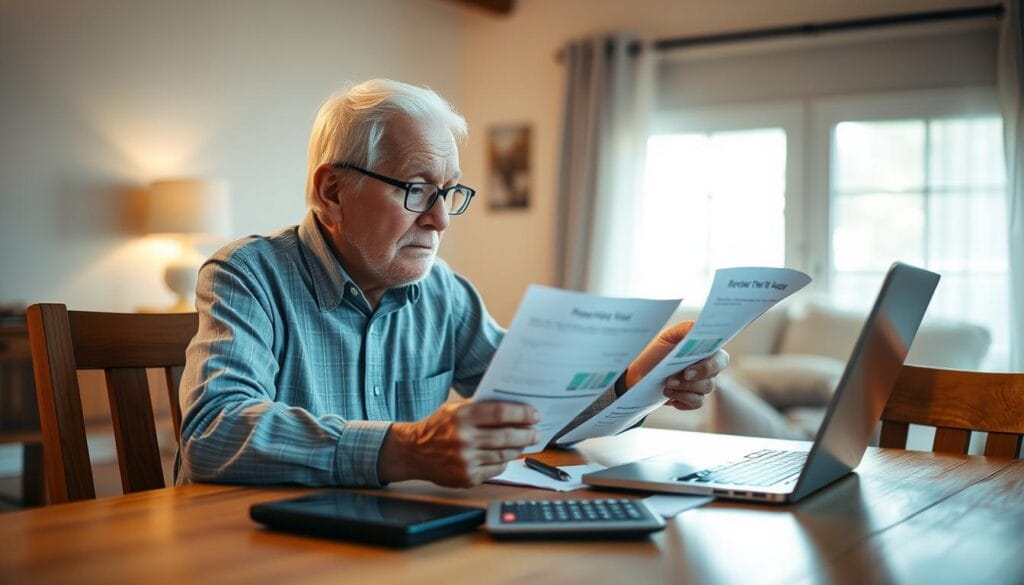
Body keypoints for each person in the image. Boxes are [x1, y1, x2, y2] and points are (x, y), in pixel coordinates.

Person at [176, 79, 728, 488]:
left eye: (449, 193)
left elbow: (536, 415)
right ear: (333, 192)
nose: (440, 220)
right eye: (416, 189)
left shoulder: (445, 293)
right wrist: (405, 449)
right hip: (254, 546)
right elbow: (213, 431)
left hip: (397, 542)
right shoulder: (246, 275)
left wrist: (636, 379)